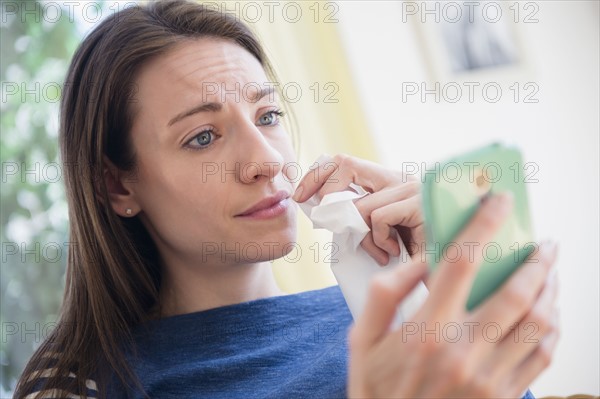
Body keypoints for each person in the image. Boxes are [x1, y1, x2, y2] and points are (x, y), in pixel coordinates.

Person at [14, 1, 559, 398]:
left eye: (268, 116)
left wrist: (454, 294)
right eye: (202, 137)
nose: (268, 160)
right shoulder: (80, 380)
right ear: (118, 186)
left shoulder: (391, 315)